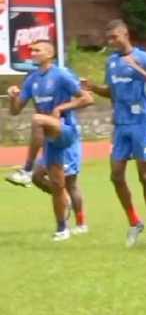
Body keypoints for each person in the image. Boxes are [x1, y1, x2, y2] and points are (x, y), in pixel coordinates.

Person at [81, 19, 146, 247]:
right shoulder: (111, 62)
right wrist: (93, 87)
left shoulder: (143, 57)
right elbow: (112, 92)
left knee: (145, 176)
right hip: (120, 125)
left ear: (125, 34)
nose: (111, 42)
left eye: (114, 37)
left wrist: (137, 68)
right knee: (116, 175)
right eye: (108, 39)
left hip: (140, 123)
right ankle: (135, 222)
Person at [6, 40, 94, 241]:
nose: (33, 53)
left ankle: (27, 170)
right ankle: (62, 229)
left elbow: (87, 98)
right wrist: (13, 96)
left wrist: (60, 109)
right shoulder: (32, 79)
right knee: (56, 185)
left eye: (37, 50)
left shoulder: (61, 74)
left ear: (49, 54)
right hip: (49, 137)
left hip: (67, 132)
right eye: (32, 50)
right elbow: (15, 111)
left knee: (70, 182)